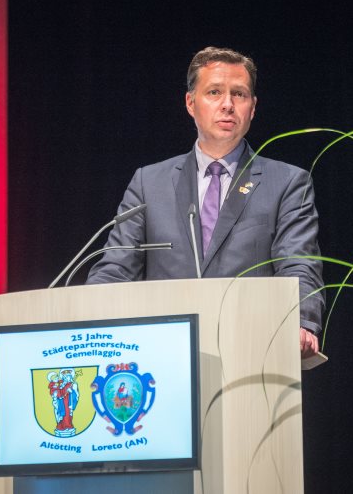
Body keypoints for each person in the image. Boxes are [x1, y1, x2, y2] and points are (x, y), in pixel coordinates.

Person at [86, 46, 324, 357]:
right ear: (190, 103)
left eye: (239, 94)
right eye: (214, 92)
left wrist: (302, 320)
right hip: (163, 353)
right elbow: (116, 268)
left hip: (252, 350)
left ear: (252, 107)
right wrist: (84, 316)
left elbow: (298, 264)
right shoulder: (148, 183)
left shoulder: (288, 182)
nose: (227, 104)